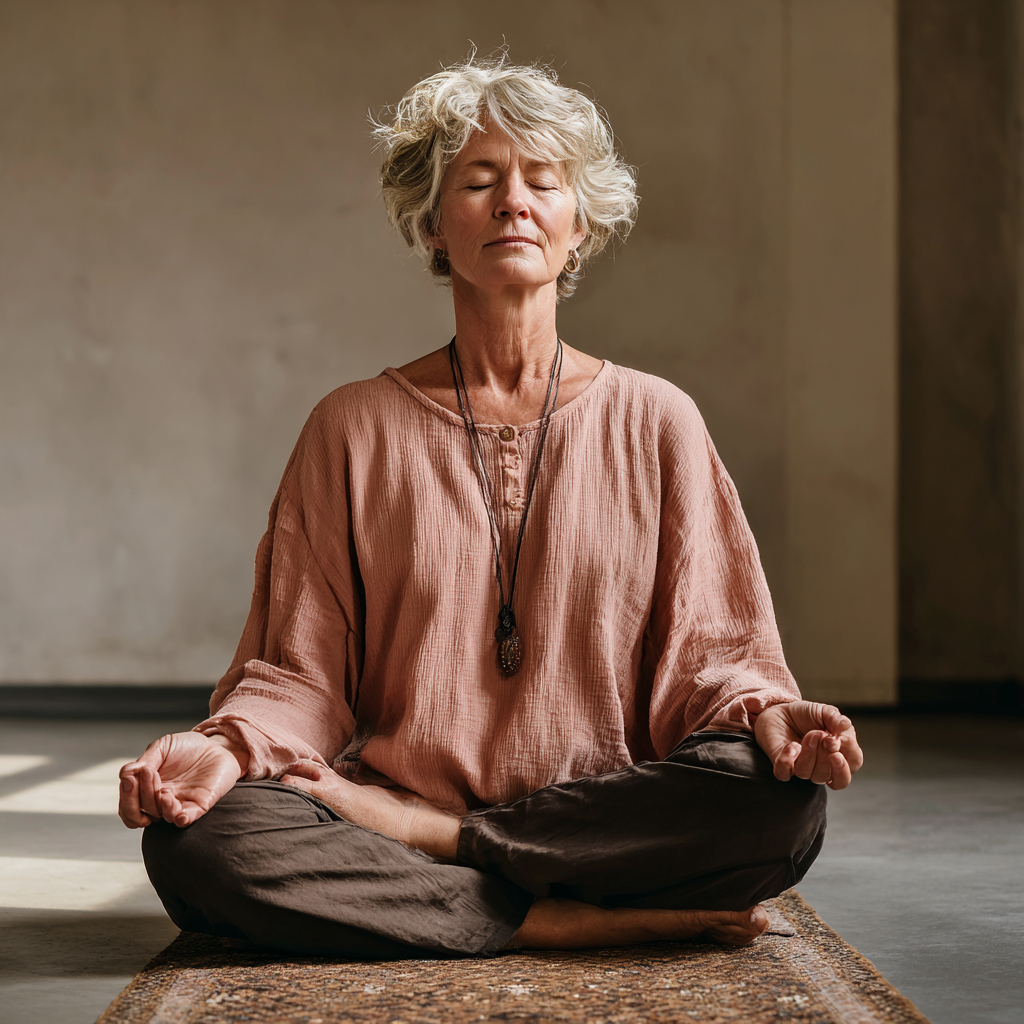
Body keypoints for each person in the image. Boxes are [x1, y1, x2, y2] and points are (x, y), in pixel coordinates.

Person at [118, 57, 863, 960]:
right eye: (480, 181)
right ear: (433, 226)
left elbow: (716, 655)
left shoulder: (658, 418)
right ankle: (553, 917)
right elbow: (299, 673)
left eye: (543, 182)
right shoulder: (352, 426)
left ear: (577, 226)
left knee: (777, 802)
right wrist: (231, 749)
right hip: (424, 813)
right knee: (198, 840)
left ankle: (454, 861)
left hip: (588, 816)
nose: (514, 201)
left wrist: (764, 715)